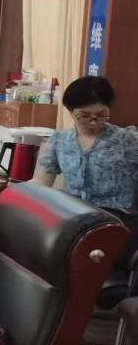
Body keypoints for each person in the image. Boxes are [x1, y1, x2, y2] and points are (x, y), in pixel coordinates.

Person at [33, 76, 138, 234]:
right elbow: (41, 181)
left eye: (101, 115)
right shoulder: (60, 140)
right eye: (85, 115)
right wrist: (17, 193)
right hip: (72, 216)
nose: (93, 121)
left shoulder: (127, 140)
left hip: (117, 220)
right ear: (71, 111)